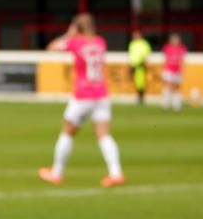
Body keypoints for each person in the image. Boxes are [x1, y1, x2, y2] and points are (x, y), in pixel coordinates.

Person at [38, 13, 125, 187]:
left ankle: (56, 172)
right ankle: (116, 173)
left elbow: (52, 47)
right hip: (101, 94)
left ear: (76, 28)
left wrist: (68, 35)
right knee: (104, 135)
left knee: (67, 132)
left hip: (83, 95)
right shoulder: (101, 42)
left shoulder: (75, 43)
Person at [161, 32, 187, 112]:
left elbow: (182, 61)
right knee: (167, 87)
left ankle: (177, 106)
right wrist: (163, 70)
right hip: (168, 71)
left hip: (177, 71)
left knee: (176, 88)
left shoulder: (182, 48)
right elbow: (165, 60)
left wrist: (182, 71)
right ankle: (164, 105)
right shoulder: (167, 48)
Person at [128, 29, 151, 104]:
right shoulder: (132, 44)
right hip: (134, 65)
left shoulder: (144, 44)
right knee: (136, 81)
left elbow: (146, 54)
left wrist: (143, 62)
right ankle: (138, 96)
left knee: (141, 82)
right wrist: (131, 65)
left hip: (141, 65)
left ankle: (142, 97)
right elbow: (131, 55)